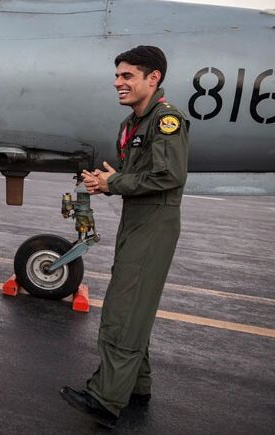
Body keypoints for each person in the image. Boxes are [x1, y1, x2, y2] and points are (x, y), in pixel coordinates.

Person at [60, 46, 189, 428]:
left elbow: (169, 176)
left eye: (128, 76)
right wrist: (105, 182)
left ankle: (105, 398)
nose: (118, 82)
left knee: (123, 309)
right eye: (117, 75)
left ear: (154, 79)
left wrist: (114, 181)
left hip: (154, 223)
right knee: (136, 307)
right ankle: (136, 386)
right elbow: (138, 174)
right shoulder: (133, 123)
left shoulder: (166, 121)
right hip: (137, 220)